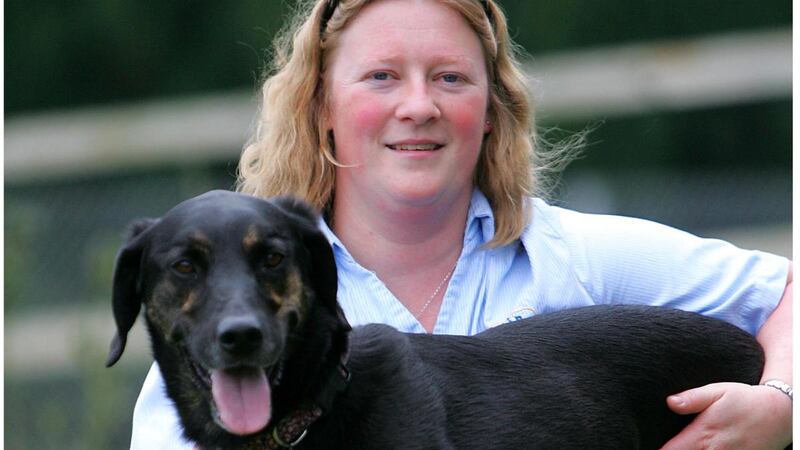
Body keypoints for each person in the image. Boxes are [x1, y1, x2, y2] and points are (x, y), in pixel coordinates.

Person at [130, 0, 793, 448]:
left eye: (450, 78)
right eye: (381, 77)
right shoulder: (243, 330)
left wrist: (781, 403)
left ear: (493, 109)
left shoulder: (574, 254)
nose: (419, 105)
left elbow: (788, 293)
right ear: (321, 105)